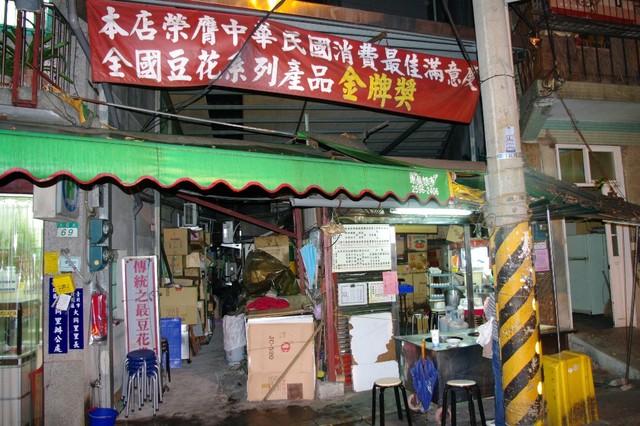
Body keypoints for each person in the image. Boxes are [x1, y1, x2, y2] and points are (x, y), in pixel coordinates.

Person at [486, 292, 505, 425]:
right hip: (518, 344)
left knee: (500, 382)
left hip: (499, 341)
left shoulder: (496, 293)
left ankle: (500, 421)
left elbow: (489, 315)